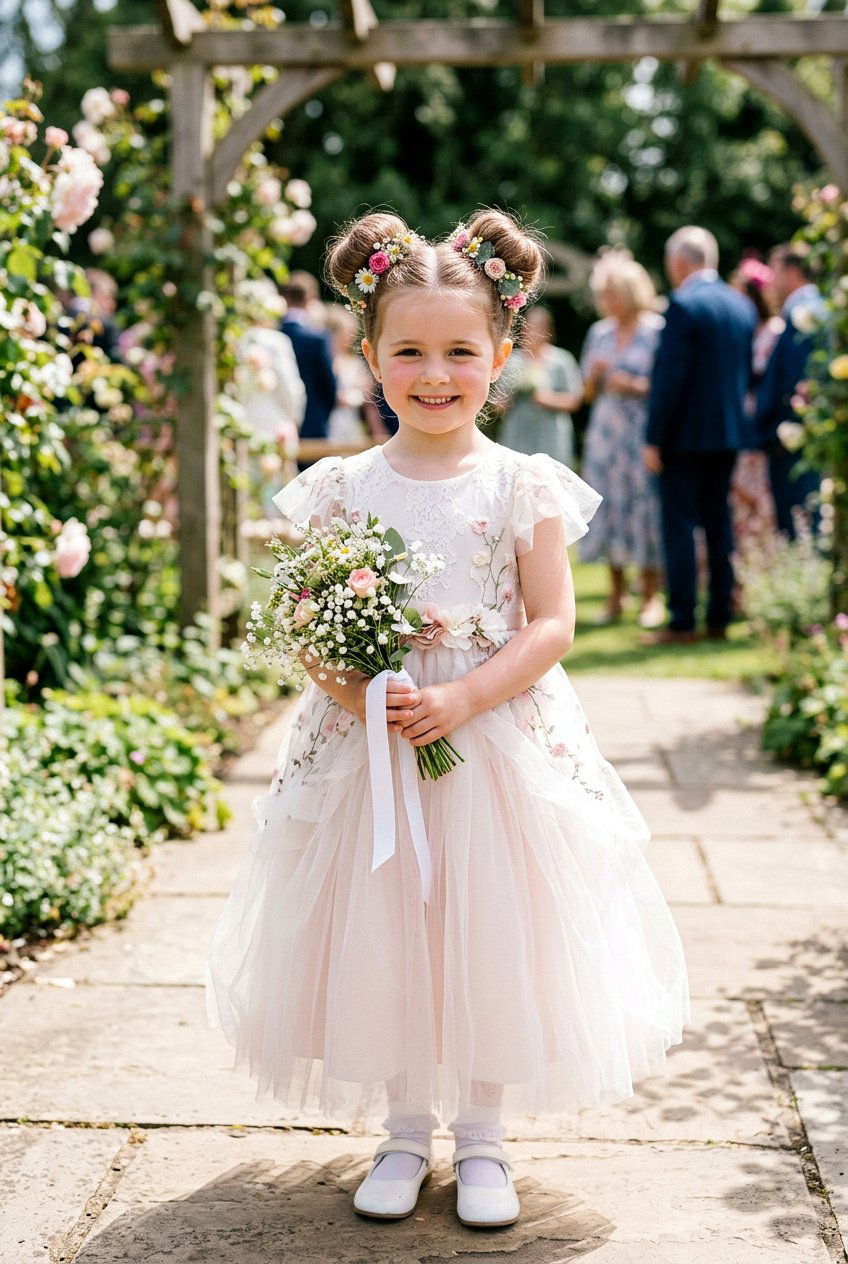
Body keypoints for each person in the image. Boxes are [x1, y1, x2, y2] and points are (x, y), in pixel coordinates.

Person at [206, 209, 689, 1230]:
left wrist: (464, 695)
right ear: (370, 358)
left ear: (501, 354)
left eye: (460, 351)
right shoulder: (341, 486)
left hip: (489, 735)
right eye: (409, 351)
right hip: (370, 746)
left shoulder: (520, 484)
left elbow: (551, 620)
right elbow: (303, 622)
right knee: (385, 924)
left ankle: (482, 1138)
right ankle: (399, 1129)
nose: (435, 373)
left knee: (489, 927)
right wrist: (359, 692)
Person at [643, 226, 756, 644]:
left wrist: (654, 437)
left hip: (684, 438)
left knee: (680, 528)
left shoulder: (683, 304)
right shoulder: (742, 306)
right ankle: (720, 617)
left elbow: (668, 379)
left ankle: (683, 621)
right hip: (727, 434)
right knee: (719, 525)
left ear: (679, 262)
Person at [580, 250, 665, 628]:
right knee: (609, 508)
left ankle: (651, 596)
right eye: (604, 294)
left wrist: (630, 383)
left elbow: (667, 388)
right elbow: (585, 395)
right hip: (605, 435)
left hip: (641, 433)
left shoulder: (656, 330)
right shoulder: (598, 333)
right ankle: (615, 594)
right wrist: (596, 377)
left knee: (645, 507)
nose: (608, 301)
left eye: (613, 293)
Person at [752, 243, 825, 538]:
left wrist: (781, 431)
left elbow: (797, 382)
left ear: (793, 271)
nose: (770, 279)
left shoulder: (801, 312)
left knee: (798, 521)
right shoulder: (815, 306)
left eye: (775, 269)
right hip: (799, 437)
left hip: (791, 440)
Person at [727, 257, 783, 567]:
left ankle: (764, 569)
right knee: (738, 503)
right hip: (739, 427)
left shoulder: (774, 331)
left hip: (759, 428)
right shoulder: (742, 334)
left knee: (761, 501)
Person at [235, 278, 306, 515]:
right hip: (275, 427)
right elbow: (291, 389)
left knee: (245, 495)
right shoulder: (276, 341)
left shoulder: (233, 341)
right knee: (277, 498)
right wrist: (294, 419)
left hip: (241, 426)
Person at [499, 305, 583, 466]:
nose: (527, 331)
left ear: (547, 331)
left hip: (551, 434)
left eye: (533, 327)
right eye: (525, 326)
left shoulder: (562, 360)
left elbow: (575, 400)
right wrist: (514, 390)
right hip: (518, 432)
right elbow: (499, 406)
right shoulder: (511, 361)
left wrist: (546, 398)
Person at [281, 270, 338, 447]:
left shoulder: (274, 333)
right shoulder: (317, 339)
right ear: (311, 299)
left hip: (279, 424)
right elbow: (330, 387)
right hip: (313, 423)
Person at [324, 303, 371, 444]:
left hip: (351, 419)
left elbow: (366, 389)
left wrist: (355, 397)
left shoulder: (354, 360)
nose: (350, 338)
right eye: (347, 333)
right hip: (332, 420)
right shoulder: (327, 360)